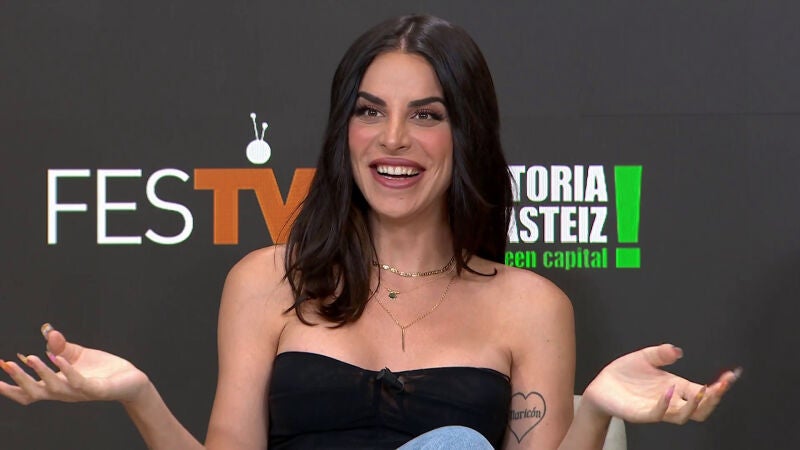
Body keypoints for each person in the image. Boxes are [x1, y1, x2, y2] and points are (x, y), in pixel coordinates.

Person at [0, 14, 739, 450]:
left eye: (427, 115)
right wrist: (139, 396)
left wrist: (597, 407)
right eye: (369, 111)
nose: (393, 140)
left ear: (466, 134)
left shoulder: (532, 307)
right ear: (343, 130)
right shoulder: (267, 282)